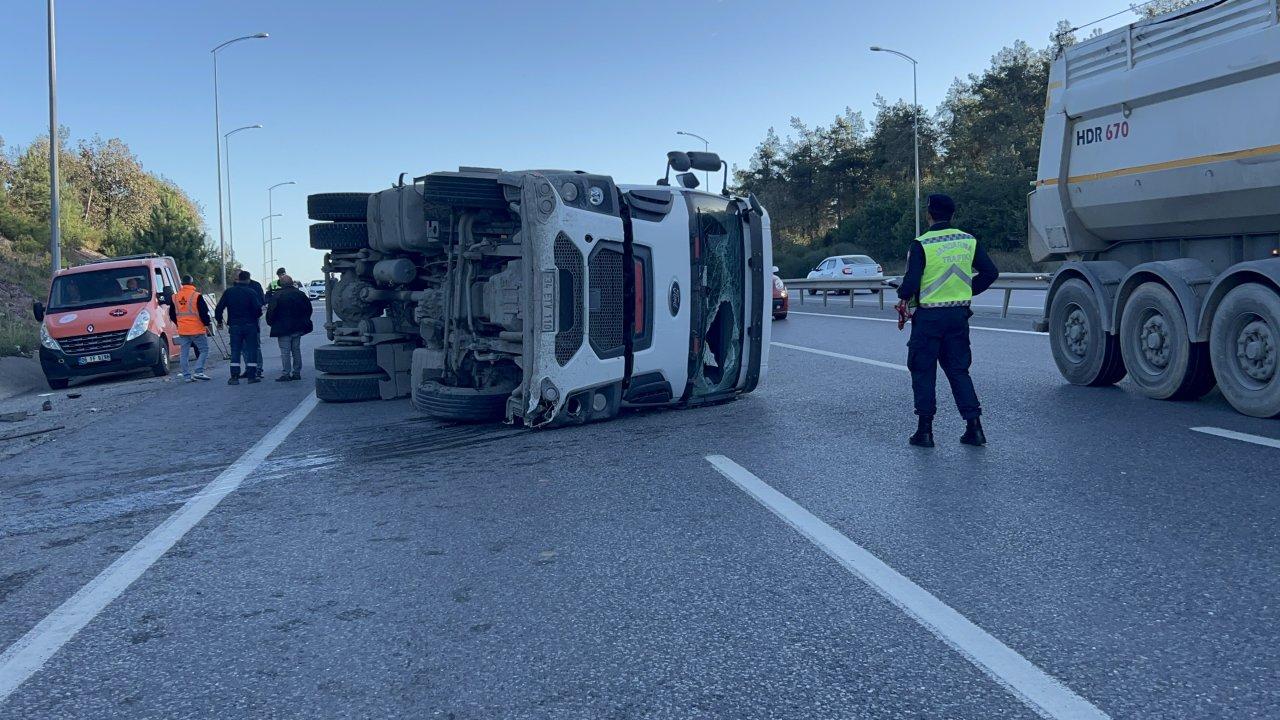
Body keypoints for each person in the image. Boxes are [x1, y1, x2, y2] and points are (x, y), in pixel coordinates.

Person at [896, 194, 999, 448]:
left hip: (929, 318)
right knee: (958, 370)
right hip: (958, 316)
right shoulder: (968, 240)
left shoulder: (921, 244)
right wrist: (967, 290)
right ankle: (974, 428)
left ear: (929, 214)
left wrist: (902, 296)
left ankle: (925, 432)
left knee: (923, 370)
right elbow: (990, 272)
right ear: (952, 214)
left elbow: (911, 282)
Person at [214, 270, 265, 385]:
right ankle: (251, 376)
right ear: (247, 279)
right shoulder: (251, 292)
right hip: (250, 325)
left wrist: (219, 321)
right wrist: (254, 318)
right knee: (252, 349)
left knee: (235, 350)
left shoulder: (229, 292)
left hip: (235, 326)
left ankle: (234, 377)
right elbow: (258, 310)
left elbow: (219, 308)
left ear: (238, 279)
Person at [264, 274, 313, 381]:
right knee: (296, 350)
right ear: (292, 283)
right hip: (298, 327)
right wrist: (305, 321)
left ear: (281, 284)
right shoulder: (300, 294)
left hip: (282, 328)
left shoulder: (277, 295)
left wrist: (271, 323)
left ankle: (286, 373)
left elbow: (271, 312)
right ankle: (297, 372)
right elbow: (308, 309)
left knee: (285, 352)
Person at [168, 275, 213, 382]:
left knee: (184, 353)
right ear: (192, 283)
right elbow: (204, 312)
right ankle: (198, 371)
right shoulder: (196, 296)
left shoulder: (175, 297)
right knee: (204, 350)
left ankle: (187, 376)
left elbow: (171, 314)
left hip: (183, 330)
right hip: (197, 329)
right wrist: (207, 323)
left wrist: (179, 323)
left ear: (182, 284)